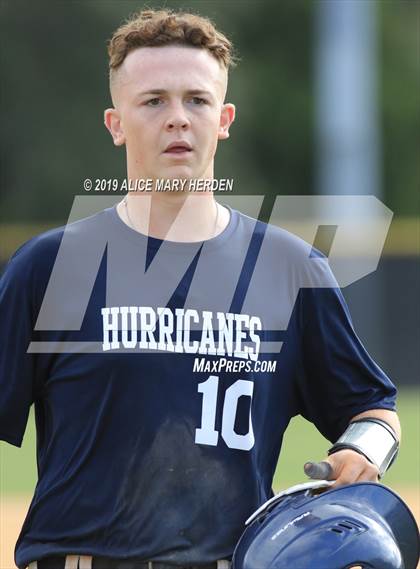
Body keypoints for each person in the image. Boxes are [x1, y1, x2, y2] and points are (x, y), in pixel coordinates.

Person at [0, 8, 401, 569]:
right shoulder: (51, 266)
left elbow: (373, 408)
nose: (178, 119)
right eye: (153, 101)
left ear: (224, 117)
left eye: (197, 100)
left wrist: (363, 450)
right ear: (116, 123)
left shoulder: (290, 269)